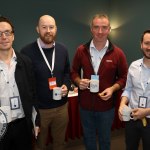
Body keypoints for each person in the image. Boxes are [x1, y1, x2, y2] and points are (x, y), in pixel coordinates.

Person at [71, 14, 128, 150]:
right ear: (91, 29)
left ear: (109, 29)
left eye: (104, 28)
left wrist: (113, 89)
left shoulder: (118, 53)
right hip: (85, 106)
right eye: (96, 27)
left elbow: (124, 77)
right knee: (88, 139)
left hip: (106, 108)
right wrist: (79, 81)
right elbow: (73, 72)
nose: (100, 32)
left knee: (105, 140)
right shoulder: (81, 51)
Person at [21, 15, 71, 150]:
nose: (48, 30)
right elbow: (25, 82)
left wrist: (66, 84)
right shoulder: (26, 52)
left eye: (51, 27)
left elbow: (67, 71)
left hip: (61, 107)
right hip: (40, 110)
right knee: (39, 144)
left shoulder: (63, 50)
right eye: (44, 27)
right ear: (38, 29)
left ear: (56, 29)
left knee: (60, 143)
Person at [0, 16, 40, 150]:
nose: (3, 37)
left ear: (13, 36)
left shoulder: (25, 62)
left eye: (7, 32)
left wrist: (36, 121)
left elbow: (33, 93)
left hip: (23, 124)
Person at [119, 29, 150, 150]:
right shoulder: (133, 66)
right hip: (132, 119)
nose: (149, 47)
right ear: (141, 45)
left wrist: (146, 111)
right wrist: (122, 105)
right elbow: (128, 89)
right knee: (130, 147)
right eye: (147, 43)